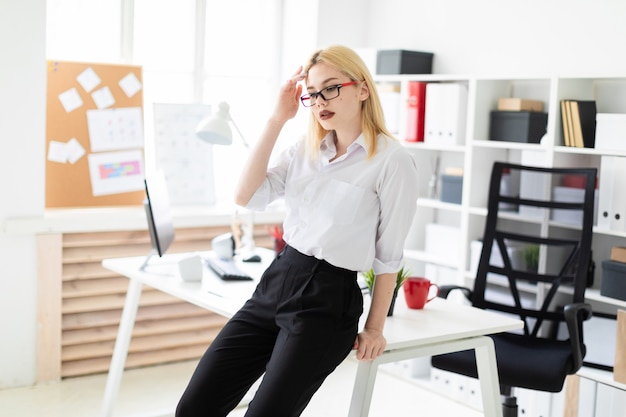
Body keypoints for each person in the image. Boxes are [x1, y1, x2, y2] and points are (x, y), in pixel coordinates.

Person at [176, 44, 419, 417]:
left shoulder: (392, 161)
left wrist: (375, 328)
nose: (321, 100)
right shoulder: (303, 150)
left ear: (363, 89)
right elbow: (247, 196)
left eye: (332, 88)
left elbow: (389, 256)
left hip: (328, 301)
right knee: (195, 406)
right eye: (313, 93)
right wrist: (277, 119)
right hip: (278, 281)